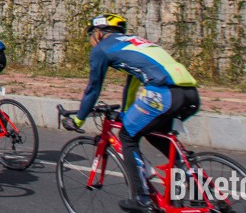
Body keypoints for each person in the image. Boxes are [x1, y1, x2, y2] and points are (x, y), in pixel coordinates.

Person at [67, 13, 200, 213]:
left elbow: (93, 88)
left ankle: (142, 197)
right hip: (190, 94)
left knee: (127, 137)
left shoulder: (102, 49)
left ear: (99, 32)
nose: (90, 41)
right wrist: (127, 112)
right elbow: (133, 83)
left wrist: (78, 119)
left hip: (164, 93)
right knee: (154, 131)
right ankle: (192, 178)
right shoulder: (135, 43)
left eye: (90, 35)